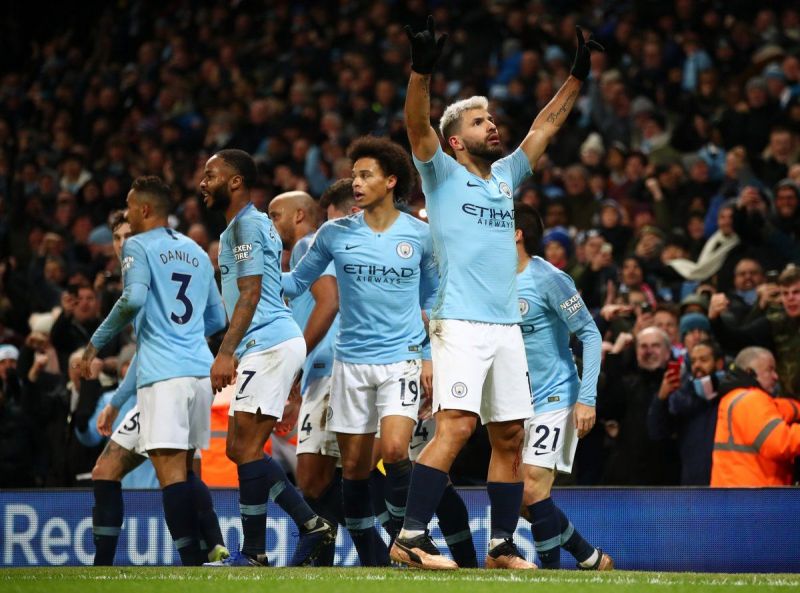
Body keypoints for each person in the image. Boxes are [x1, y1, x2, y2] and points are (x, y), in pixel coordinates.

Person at [393, 16, 602, 570]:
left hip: (505, 324)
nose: (493, 126)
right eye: (479, 121)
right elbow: (416, 124)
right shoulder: (440, 172)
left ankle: (502, 545)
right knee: (458, 426)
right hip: (459, 321)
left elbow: (545, 127)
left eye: (491, 119)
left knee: (509, 436)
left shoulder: (506, 176)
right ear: (455, 139)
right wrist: (421, 71)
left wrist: (576, 77)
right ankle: (410, 537)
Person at [281, 136, 437, 566]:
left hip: (401, 358)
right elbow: (296, 283)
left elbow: (433, 297)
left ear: (391, 181)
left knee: (395, 450)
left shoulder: (420, 235)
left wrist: (428, 355)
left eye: (366, 175)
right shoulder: (334, 234)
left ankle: (410, 539)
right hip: (349, 363)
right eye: (354, 175)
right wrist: (255, 272)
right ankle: (374, 560)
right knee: (353, 469)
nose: (356, 183)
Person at [79, 176, 227, 566]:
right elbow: (217, 318)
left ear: (144, 209)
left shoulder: (139, 246)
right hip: (198, 373)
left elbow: (132, 300)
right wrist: (184, 335)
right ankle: (209, 549)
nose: (126, 215)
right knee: (177, 470)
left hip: (164, 377)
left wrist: (93, 345)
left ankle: (194, 565)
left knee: (173, 475)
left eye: (130, 207)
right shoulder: (196, 250)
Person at [201, 149, 334, 567]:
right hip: (264, 344)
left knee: (246, 448)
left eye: (211, 175)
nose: (203, 183)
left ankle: (256, 551)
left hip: (269, 343)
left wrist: (225, 352)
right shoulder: (244, 227)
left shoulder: (247, 226)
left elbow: (252, 292)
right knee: (240, 448)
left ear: (235, 181)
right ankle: (310, 525)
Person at [513, 204, 612, 570]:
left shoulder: (549, 278)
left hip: (555, 394)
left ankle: (550, 577)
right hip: (513, 400)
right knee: (519, 500)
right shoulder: (491, 278)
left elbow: (590, 333)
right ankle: (589, 557)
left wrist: (587, 399)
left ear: (516, 233)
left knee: (532, 488)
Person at [268, 189, 342, 566]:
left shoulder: (306, 246)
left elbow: (329, 302)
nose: (271, 224)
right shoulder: (325, 249)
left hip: (329, 370)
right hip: (331, 369)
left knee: (313, 480)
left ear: (299, 215)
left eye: (275, 215)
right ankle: (323, 566)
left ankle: (386, 537)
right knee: (333, 475)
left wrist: (295, 367)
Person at [711, 347, 800, 486]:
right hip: (755, 495)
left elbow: (775, 409)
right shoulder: (752, 400)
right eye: (770, 370)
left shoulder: (736, 397)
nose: (775, 376)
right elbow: (780, 443)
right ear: (750, 372)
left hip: (737, 492)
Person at [647, 340, 726, 485]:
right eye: (693, 361)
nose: (697, 365)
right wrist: (661, 399)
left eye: (704, 360)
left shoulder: (730, 394)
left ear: (719, 363)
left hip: (726, 483)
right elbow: (657, 432)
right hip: (692, 483)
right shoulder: (682, 397)